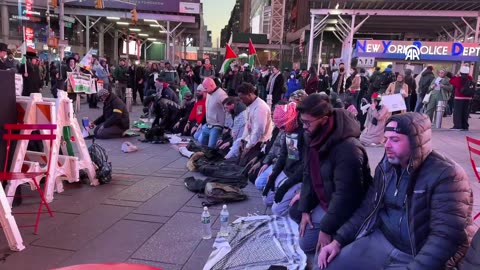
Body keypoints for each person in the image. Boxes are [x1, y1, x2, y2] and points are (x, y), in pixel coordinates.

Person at [318, 113, 474, 270]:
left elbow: (445, 237)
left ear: (415, 142)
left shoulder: (447, 175)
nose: (386, 145)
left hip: (415, 253)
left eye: (395, 139)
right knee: (325, 265)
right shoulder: (386, 167)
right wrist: (338, 241)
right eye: (386, 139)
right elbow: (367, 208)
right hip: (381, 240)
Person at [289, 93, 371, 255]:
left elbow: (345, 196)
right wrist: (306, 208)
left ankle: (341, 235)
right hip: (326, 198)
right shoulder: (312, 136)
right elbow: (308, 174)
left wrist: (326, 229)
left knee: (306, 245)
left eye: (307, 123)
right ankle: (329, 228)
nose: (304, 127)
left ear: (325, 120)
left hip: (347, 206)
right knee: (296, 210)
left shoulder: (348, 149)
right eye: (302, 122)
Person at [262, 102, 303, 216]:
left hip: (300, 176)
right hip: (288, 170)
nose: (282, 130)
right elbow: (284, 154)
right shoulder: (289, 130)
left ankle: (295, 204)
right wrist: (274, 174)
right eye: (279, 127)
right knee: (266, 199)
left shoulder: (304, 133)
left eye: (283, 126)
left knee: (277, 210)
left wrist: (286, 185)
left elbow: (305, 166)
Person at [237, 82, 273, 166]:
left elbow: (259, 130)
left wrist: (248, 146)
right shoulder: (250, 105)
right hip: (251, 140)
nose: (242, 101)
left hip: (258, 143)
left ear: (250, 95)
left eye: (243, 98)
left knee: (243, 167)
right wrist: (243, 139)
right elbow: (248, 124)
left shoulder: (260, 107)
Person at [200, 77, 228, 148]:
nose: (205, 91)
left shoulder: (222, 95)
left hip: (217, 125)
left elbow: (227, 111)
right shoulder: (209, 93)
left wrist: (226, 126)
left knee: (211, 146)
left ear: (212, 85)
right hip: (208, 124)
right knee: (202, 143)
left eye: (206, 88)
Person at [450, 66, 474, 131]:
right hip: (468, 98)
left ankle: (457, 126)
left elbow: (451, 81)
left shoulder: (458, 79)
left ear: (461, 72)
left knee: (457, 112)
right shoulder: (470, 78)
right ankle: (465, 126)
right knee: (465, 112)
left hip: (459, 97)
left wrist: (456, 75)